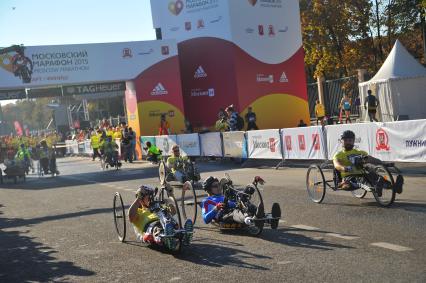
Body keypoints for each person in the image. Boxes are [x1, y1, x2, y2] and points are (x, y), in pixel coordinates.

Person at [333, 130, 403, 194]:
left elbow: (371, 159)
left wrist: (382, 163)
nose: (348, 142)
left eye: (350, 140)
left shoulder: (359, 152)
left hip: (363, 173)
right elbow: (337, 165)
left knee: (374, 176)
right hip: (349, 177)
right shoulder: (339, 155)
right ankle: (375, 188)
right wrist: (344, 168)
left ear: (353, 141)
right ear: (341, 141)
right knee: (362, 180)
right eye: (346, 140)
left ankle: (395, 187)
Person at [128, 185, 193, 250]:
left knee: (169, 212)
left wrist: (170, 193)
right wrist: (138, 198)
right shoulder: (139, 211)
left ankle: (184, 235)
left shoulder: (158, 206)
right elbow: (131, 217)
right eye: (149, 196)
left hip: (166, 223)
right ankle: (169, 240)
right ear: (141, 199)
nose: (152, 198)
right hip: (150, 228)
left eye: (152, 195)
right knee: (157, 227)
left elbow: (173, 208)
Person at [201, 176, 281, 226]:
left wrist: (254, 182)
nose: (218, 187)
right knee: (235, 212)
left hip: (236, 206)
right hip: (223, 214)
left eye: (218, 185)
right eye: (215, 186)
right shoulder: (207, 201)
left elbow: (239, 198)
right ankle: (249, 219)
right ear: (209, 189)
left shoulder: (223, 195)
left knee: (243, 196)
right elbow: (205, 219)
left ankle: (270, 219)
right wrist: (216, 208)